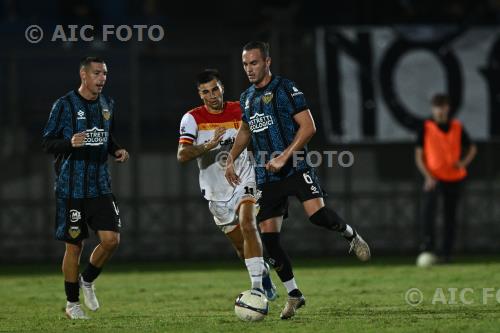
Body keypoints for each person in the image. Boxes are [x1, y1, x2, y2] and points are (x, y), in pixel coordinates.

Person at [225, 41, 371, 320]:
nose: (249, 69)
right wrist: (231, 157)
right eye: (245, 64)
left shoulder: (285, 89)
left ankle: (350, 235)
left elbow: (309, 126)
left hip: (294, 167)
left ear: (267, 62)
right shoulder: (246, 97)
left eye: (254, 63)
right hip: (266, 176)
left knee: (316, 216)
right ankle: (294, 295)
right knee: (270, 239)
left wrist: (284, 156)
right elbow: (244, 129)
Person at [177, 69, 277, 300]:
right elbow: (182, 155)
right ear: (200, 94)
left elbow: (256, 133)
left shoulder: (239, 109)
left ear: (222, 88)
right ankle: (262, 274)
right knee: (241, 247)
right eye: (206, 92)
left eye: (215, 89)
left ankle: (256, 290)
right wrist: (210, 144)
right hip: (216, 192)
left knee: (249, 223)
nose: (212, 95)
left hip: (244, 178)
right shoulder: (192, 118)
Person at [42, 56, 129, 319]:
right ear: (83, 75)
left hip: (100, 185)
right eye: (97, 73)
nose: (102, 78)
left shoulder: (107, 104)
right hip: (72, 188)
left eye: (104, 73)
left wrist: (117, 150)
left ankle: (87, 280)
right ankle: (72, 304)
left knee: (111, 240)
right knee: (74, 246)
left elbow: (107, 135)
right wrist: (69, 142)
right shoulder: (64, 105)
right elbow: (47, 142)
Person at [415, 93, 477, 263]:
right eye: (437, 107)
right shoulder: (426, 128)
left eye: (443, 107)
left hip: (454, 177)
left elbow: (472, 148)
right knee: (429, 213)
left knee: (450, 216)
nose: (440, 111)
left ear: (448, 108)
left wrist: (463, 163)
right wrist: (428, 176)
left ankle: (447, 253)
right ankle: (428, 248)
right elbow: (419, 156)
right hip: (434, 178)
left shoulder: (457, 126)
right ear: (433, 109)